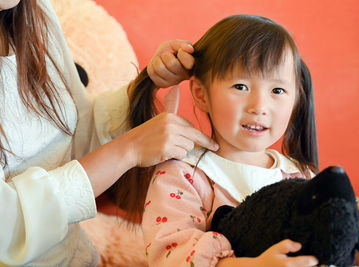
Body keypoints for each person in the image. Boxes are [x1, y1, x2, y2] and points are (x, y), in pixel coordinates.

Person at [0, 0, 218, 266]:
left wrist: (146, 85)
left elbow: (75, 132)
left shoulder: (33, 10)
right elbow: (8, 228)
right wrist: (130, 149)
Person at [115, 14, 320, 266]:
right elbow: (172, 255)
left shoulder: (301, 176)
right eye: (241, 86)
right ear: (201, 94)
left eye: (277, 90)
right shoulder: (184, 175)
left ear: (296, 99)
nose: (259, 106)